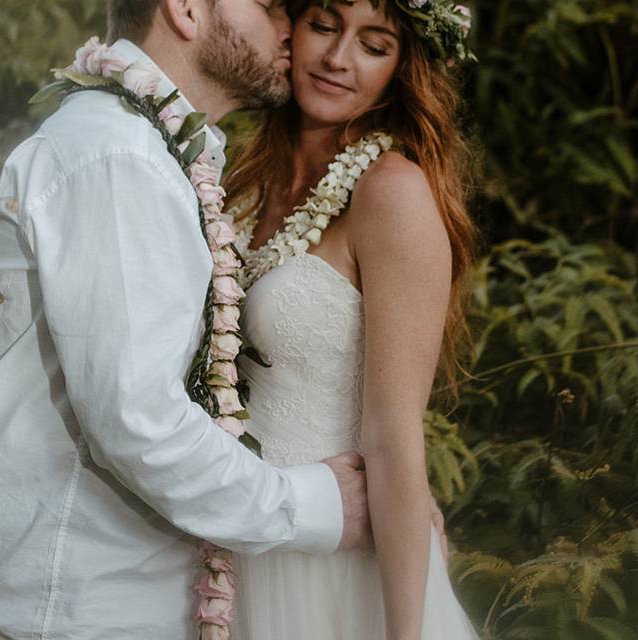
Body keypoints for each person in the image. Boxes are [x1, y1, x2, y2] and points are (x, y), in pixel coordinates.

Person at [0, 2, 375, 638]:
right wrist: (315, 506)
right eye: (267, 5)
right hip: (61, 601)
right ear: (185, 8)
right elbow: (138, 422)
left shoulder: (148, 148)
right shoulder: (118, 155)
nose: (290, 26)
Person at [223, 0, 479, 638]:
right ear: (291, 28)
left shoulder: (392, 195)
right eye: (326, 25)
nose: (338, 60)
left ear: (402, 68)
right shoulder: (241, 184)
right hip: (235, 533)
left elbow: (393, 433)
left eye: (374, 43)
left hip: (334, 566)